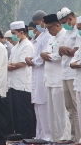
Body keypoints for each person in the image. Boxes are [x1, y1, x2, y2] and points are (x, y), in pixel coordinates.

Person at [42, 12, 72, 142]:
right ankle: (55, 137)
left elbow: (61, 56)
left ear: (58, 25)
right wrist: (46, 55)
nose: (48, 31)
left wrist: (48, 56)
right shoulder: (51, 38)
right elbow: (47, 53)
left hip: (59, 79)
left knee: (62, 111)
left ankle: (65, 136)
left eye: (49, 28)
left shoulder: (65, 36)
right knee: (52, 112)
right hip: (49, 79)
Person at [25, 11, 51, 141]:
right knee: (37, 103)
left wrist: (33, 61)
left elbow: (43, 56)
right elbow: (37, 55)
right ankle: (39, 134)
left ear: (42, 21)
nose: (37, 27)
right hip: (36, 71)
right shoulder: (40, 37)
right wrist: (31, 59)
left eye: (37, 24)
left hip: (42, 71)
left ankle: (47, 135)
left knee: (43, 103)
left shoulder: (48, 36)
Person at [7, 21, 35, 138]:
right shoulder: (15, 47)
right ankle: (19, 134)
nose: (13, 35)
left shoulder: (27, 45)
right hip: (13, 83)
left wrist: (9, 66)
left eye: (14, 33)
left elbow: (22, 63)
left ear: (21, 32)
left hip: (23, 83)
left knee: (24, 111)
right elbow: (11, 63)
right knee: (15, 111)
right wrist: (9, 66)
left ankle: (28, 134)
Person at [57, 7, 79, 142]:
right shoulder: (67, 32)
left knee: (76, 107)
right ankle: (72, 136)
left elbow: (75, 52)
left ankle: (78, 138)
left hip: (73, 73)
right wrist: (61, 49)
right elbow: (61, 51)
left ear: (70, 18)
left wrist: (65, 50)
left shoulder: (78, 31)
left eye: (64, 21)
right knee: (69, 107)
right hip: (64, 72)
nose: (64, 25)